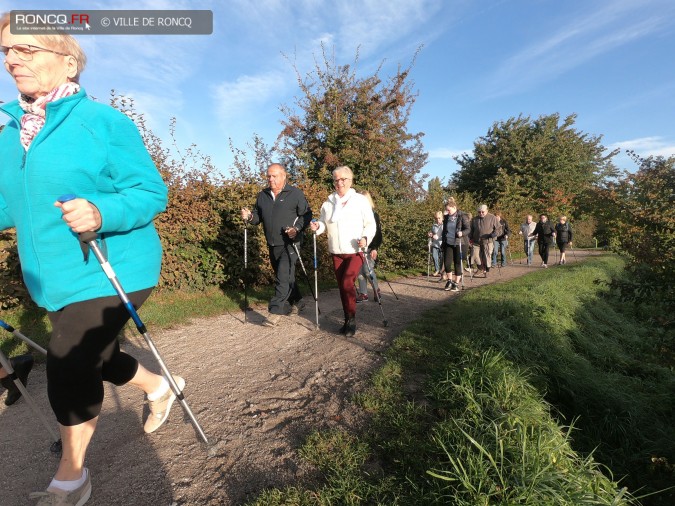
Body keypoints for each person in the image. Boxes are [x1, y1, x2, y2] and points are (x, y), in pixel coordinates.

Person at [0, 16, 181, 504]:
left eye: (26, 49)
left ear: (67, 59)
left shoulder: (102, 121)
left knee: (69, 357)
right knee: (99, 358)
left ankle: (72, 476)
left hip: (115, 265)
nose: (12, 59)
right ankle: (159, 387)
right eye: (6, 52)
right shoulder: (7, 132)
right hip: (53, 278)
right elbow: (5, 206)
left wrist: (102, 210)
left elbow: (149, 191)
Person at [241, 163, 312, 327]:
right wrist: (250, 216)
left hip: (291, 243)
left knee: (282, 275)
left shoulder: (295, 194)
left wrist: (297, 228)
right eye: (268, 176)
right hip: (272, 243)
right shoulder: (263, 195)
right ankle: (298, 300)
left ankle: (275, 311)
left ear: (283, 176)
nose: (270, 179)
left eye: (274, 176)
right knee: (286, 276)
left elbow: (307, 214)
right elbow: (258, 217)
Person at [310, 166, 376, 337]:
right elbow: (324, 223)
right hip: (336, 251)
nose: (339, 183)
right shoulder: (328, 203)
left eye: (343, 179)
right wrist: (318, 226)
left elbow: (371, 224)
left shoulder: (360, 200)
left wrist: (366, 238)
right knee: (342, 287)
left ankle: (352, 320)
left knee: (347, 282)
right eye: (336, 180)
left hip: (355, 250)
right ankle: (347, 319)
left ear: (350, 180)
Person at [356, 191, 382, 302]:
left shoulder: (374, 215)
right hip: (358, 247)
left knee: (367, 270)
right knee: (359, 271)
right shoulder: (356, 215)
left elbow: (378, 233)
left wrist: (375, 247)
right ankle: (363, 294)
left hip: (370, 247)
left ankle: (376, 290)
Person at [441, 198, 470, 292]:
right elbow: (444, 230)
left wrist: (462, 233)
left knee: (458, 263)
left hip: (459, 242)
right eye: (446, 210)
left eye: (448, 209)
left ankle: (456, 283)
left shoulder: (462, 216)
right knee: (447, 263)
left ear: (454, 207)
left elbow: (468, 229)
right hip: (448, 242)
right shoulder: (446, 217)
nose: (447, 211)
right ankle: (449, 280)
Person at [469, 204, 500, 277]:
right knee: (475, 255)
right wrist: (469, 239)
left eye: (483, 212)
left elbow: (499, 229)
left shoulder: (492, 217)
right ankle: (480, 269)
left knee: (487, 256)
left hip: (488, 240)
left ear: (487, 211)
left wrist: (495, 233)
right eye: (479, 212)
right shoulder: (474, 219)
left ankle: (487, 270)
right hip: (476, 241)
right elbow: (471, 230)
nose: (481, 213)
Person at [428, 211, 443, 276]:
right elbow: (432, 232)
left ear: (442, 218)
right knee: (434, 257)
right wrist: (430, 234)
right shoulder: (434, 225)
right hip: (435, 244)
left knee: (441, 258)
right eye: (436, 218)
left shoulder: (444, 225)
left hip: (442, 244)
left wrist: (438, 236)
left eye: (439, 218)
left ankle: (442, 271)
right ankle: (437, 270)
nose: (438, 220)